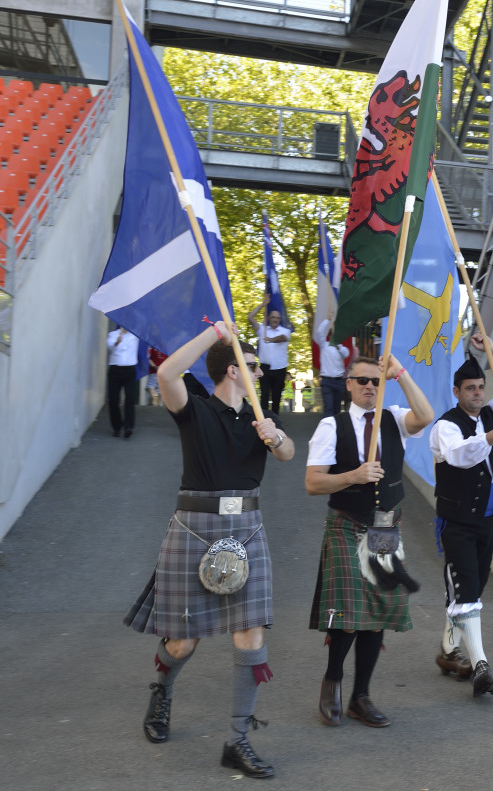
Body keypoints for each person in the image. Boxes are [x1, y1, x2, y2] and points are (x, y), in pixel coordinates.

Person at [124, 320, 293, 780]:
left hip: (248, 528)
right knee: (184, 639)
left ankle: (238, 738)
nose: (260, 373)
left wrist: (275, 437)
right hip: (195, 527)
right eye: (253, 366)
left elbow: (287, 454)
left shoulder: (262, 420)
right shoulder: (194, 410)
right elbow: (166, 376)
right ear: (233, 371)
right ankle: (162, 692)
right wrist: (215, 333)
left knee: (251, 632)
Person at [305, 355, 434, 727]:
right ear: (348, 383)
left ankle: (361, 697)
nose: (369, 386)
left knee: (376, 614)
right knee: (347, 614)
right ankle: (333, 680)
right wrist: (354, 476)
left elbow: (425, 415)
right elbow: (313, 483)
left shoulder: (394, 418)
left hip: (384, 530)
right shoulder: (333, 426)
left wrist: (402, 374)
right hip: (347, 525)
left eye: (376, 381)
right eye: (361, 380)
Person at [429, 332, 493, 696]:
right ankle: (481, 665)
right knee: (468, 591)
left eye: (481, 387)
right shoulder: (445, 426)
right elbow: (460, 454)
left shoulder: (490, 413)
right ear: (457, 391)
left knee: (473, 588)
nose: (478, 393)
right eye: (470, 388)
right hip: (456, 521)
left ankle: (447, 649)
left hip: (487, 518)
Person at [249, 294, 291, 414]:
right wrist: (262, 305)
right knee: (264, 395)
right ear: (268, 318)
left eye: (277, 317)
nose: (275, 319)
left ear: (280, 319)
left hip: (280, 369)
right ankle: (263, 420)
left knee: (277, 397)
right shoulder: (262, 329)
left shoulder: (285, 330)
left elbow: (282, 338)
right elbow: (250, 317)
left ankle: (275, 421)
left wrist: (271, 340)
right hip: (265, 368)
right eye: (272, 317)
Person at [107, 325, 140, 438]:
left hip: (130, 370)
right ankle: (117, 427)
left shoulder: (135, 335)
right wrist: (117, 342)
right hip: (115, 370)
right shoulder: (113, 335)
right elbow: (110, 346)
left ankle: (128, 427)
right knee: (114, 400)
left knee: (129, 400)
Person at [316, 318, 350, 416]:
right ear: (330, 336)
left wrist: (338, 345)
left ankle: (336, 429)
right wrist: (328, 320)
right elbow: (319, 332)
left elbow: (346, 354)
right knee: (328, 408)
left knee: (337, 409)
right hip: (327, 382)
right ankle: (327, 428)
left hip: (339, 382)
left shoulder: (342, 349)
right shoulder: (324, 345)